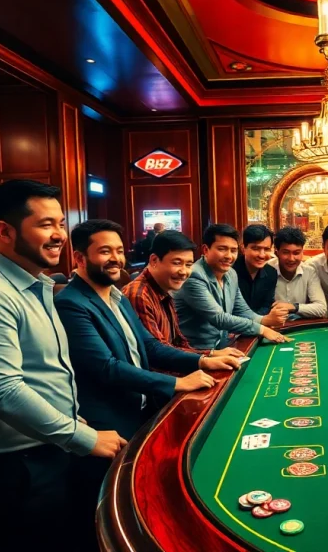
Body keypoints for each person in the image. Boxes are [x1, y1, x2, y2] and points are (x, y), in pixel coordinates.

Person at [0, 180, 126, 552]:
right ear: (4, 231)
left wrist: (71, 418)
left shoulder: (35, 284)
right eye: (45, 225)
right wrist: (83, 438)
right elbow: (1, 392)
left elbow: (41, 372)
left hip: (34, 450)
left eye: (60, 224)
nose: (59, 236)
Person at [54, 220, 238, 548]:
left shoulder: (116, 295)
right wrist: (176, 384)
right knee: (109, 511)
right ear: (80, 258)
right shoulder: (71, 302)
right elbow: (105, 368)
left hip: (136, 409)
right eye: (104, 251)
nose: (115, 258)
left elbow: (149, 346)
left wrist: (202, 360)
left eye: (119, 251)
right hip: (106, 421)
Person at [122, 230, 245, 361]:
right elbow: (156, 353)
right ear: (154, 260)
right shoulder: (139, 295)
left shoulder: (165, 289)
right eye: (176, 263)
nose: (184, 272)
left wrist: (211, 354)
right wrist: (203, 361)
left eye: (188, 265)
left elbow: (177, 343)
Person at [176, 223, 291, 349]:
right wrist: (263, 329)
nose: (229, 256)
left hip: (223, 346)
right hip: (195, 352)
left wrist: (266, 320)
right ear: (205, 250)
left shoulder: (231, 273)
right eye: (222, 249)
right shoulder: (193, 275)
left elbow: (243, 311)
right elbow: (219, 318)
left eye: (233, 250)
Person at [267, 227, 327, 319]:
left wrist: (293, 307)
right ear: (277, 252)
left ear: (302, 252)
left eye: (296, 253)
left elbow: (321, 308)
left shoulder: (309, 272)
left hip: (300, 327)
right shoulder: (266, 270)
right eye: (286, 252)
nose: (291, 258)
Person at [233, 224, 283, 317]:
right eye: (256, 248)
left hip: (258, 325)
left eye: (267, 249)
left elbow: (267, 305)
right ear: (243, 248)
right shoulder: (230, 272)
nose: (262, 255)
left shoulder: (271, 273)